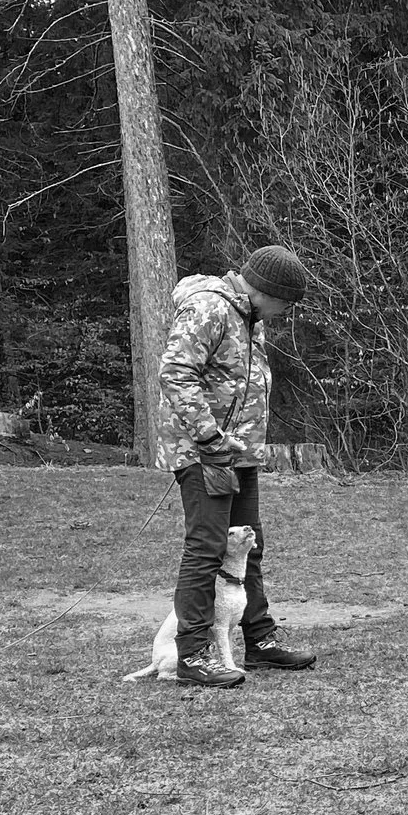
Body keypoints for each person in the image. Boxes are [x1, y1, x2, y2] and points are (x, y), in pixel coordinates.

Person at [157, 245, 318, 687]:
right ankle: (192, 653)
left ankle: (260, 640)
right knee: (207, 547)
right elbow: (174, 373)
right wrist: (209, 436)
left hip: (240, 452)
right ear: (267, 290)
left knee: (249, 544)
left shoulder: (250, 319)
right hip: (205, 452)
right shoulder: (208, 308)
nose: (285, 311)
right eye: (286, 302)